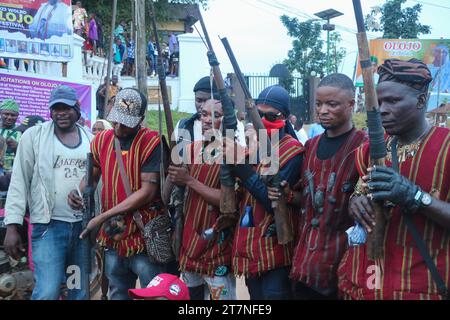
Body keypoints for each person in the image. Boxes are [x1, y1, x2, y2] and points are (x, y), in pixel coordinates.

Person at [337, 59, 450, 300]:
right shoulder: (369, 150)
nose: (383, 109)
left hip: (423, 285)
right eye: (379, 102)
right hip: (367, 280)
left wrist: (415, 197)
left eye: (393, 101)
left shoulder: (446, 147)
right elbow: (358, 193)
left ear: (421, 101)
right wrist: (356, 203)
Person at [268, 74, 367, 299]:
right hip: (304, 265)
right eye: (319, 104)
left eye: (332, 104)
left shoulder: (363, 147)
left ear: (351, 104)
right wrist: (289, 195)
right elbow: (309, 199)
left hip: (342, 269)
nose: (323, 110)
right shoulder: (310, 146)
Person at [68, 88, 165, 300]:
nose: (119, 126)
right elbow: (90, 178)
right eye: (116, 120)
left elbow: (148, 192)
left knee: (152, 294)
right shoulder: (101, 140)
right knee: (117, 292)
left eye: (125, 122)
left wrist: (102, 217)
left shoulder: (152, 142)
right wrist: (79, 191)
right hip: (113, 234)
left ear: (140, 119)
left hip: (144, 232)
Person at [3, 86, 92, 300]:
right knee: (48, 290)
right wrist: (12, 226)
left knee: (77, 290)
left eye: (66, 108)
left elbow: (96, 179)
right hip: (48, 228)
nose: (61, 112)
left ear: (77, 110)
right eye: (56, 108)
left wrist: (85, 195)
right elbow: (19, 181)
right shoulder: (34, 137)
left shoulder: (92, 139)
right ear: (50, 111)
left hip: (82, 230)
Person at [227, 85, 304, 300]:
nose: (263, 119)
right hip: (251, 243)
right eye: (258, 114)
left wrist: (242, 169)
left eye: (271, 115)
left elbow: (274, 201)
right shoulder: (256, 145)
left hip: (276, 247)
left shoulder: (293, 150)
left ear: (285, 117)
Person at [167, 99, 237, 300]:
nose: (207, 120)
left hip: (218, 248)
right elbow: (171, 193)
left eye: (215, 115)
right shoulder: (191, 149)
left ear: (228, 119)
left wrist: (188, 180)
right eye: (203, 114)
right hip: (189, 244)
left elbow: (228, 202)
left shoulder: (237, 153)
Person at [173, 76, 246, 148]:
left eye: (206, 101)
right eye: (199, 100)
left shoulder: (235, 126)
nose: (202, 106)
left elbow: (241, 154)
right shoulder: (183, 125)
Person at [0, 99, 21, 173]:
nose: (9, 117)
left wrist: (17, 147)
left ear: (17, 116)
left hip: (14, 174)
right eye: (6, 114)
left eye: (13, 115)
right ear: (0, 113)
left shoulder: (21, 132)